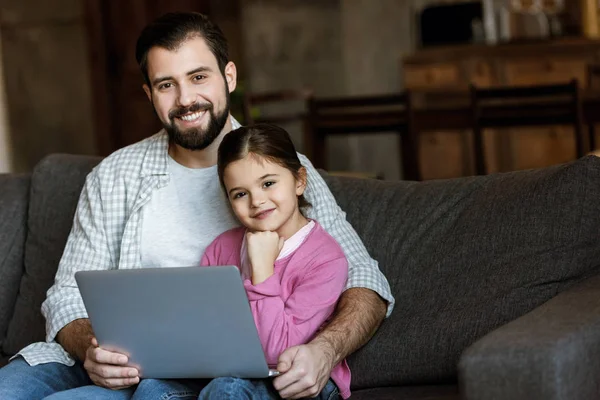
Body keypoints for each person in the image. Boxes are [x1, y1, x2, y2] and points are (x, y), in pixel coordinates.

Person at [0, 11, 394, 400]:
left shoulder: (284, 171)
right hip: (116, 363)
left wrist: (326, 351)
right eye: (166, 84)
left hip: (203, 376)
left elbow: (366, 281)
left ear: (230, 76)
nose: (186, 99)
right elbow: (65, 294)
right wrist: (91, 348)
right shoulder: (114, 175)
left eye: (198, 77)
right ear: (148, 94)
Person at [199, 123, 350, 399]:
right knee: (153, 388)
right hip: (234, 371)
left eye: (268, 183)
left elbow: (276, 352)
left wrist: (262, 269)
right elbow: (204, 329)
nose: (257, 201)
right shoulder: (221, 249)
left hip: (296, 381)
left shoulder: (327, 260)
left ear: (299, 181)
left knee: (227, 389)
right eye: (240, 194)